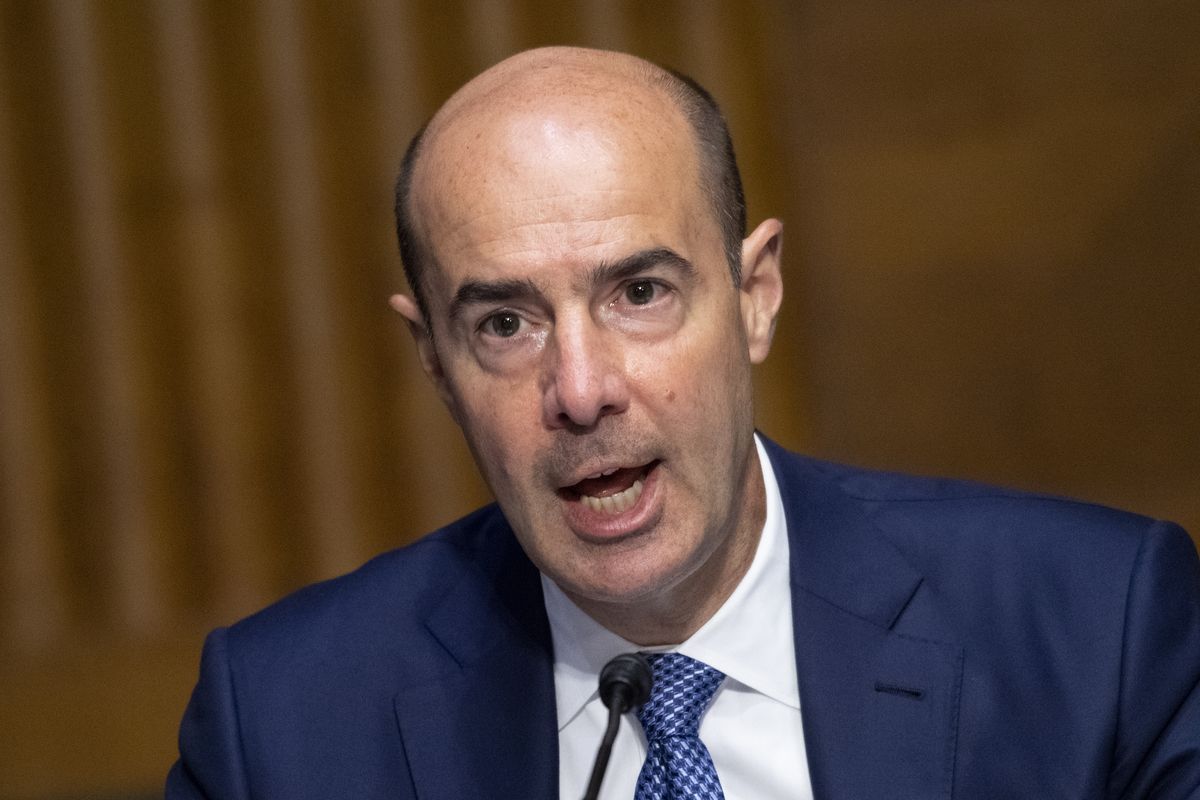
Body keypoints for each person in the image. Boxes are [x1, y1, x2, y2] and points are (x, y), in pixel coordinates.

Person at [167, 47, 1200, 799]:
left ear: (755, 294)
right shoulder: (283, 728)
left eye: (640, 292)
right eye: (505, 322)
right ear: (435, 360)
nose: (580, 387)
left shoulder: (1097, 632)